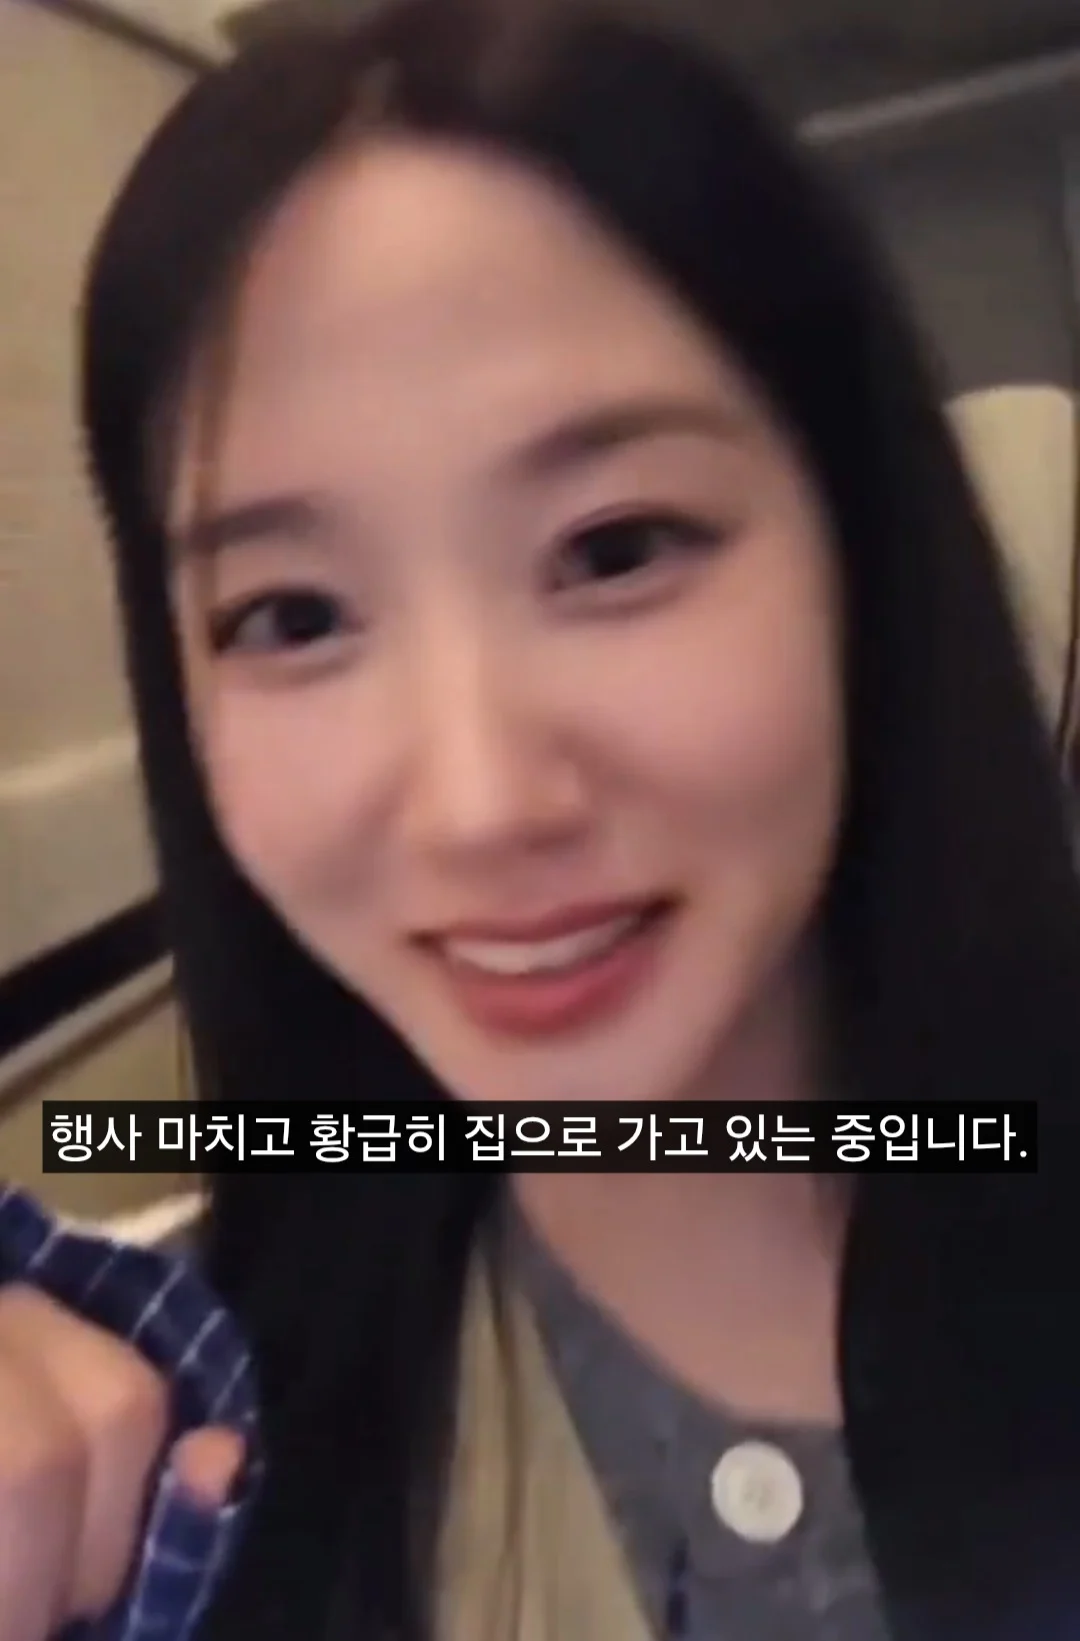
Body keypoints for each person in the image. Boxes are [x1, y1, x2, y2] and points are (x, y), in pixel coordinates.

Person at [3, 1, 1080, 1638]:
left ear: (862, 544)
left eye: (615, 548)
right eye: (292, 616)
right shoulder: (164, 1463)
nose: (481, 805)